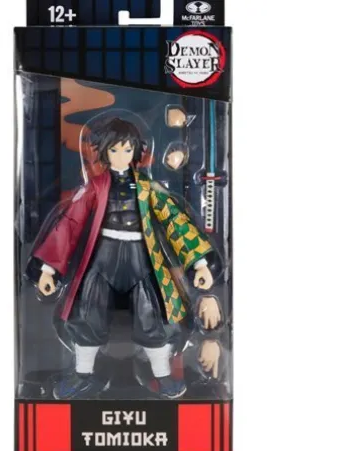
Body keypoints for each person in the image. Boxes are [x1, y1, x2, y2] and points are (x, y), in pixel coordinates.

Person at [32, 117, 219, 399]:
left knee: (151, 312)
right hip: (103, 257)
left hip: (139, 259)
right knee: (88, 311)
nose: (121, 155)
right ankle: (82, 374)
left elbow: (174, 220)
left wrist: (200, 263)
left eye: (127, 149)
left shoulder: (146, 188)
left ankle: (162, 374)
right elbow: (70, 223)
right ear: (105, 152)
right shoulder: (95, 187)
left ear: (136, 152)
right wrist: (49, 269)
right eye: (115, 150)